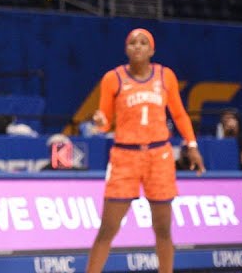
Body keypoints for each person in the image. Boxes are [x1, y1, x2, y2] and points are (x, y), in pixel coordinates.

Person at [86, 28, 205, 273]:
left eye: (143, 43)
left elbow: (179, 114)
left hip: (159, 155)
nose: (137, 46)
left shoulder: (165, 76)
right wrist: (99, 121)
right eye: (132, 42)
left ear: (152, 50)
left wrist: (191, 145)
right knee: (108, 228)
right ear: (126, 49)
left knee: (163, 229)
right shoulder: (113, 78)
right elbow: (105, 121)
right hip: (125, 157)